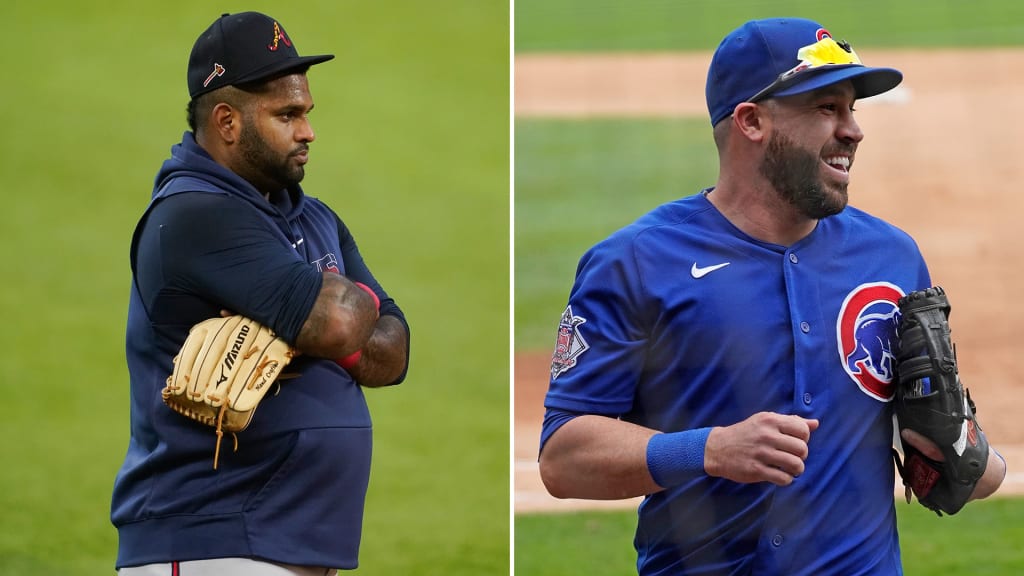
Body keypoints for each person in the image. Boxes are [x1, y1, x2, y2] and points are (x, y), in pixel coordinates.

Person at [538, 17, 1005, 576]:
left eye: (852, 109)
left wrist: (967, 452)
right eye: (826, 108)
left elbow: (950, 444)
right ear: (752, 121)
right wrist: (708, 450)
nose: (852, 130)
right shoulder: (636, 263)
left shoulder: (892, 259)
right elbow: (563, 459)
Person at [110, 12, 410, 576]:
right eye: (287, 115)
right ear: (226, 121)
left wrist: (303, 326)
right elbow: (344, 324)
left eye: (307, 113)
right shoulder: (195, 214)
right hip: (211, 542)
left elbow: (393, 354)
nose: (308, 131)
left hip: (292, 546)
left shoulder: (313, 217)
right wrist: (325, 317)